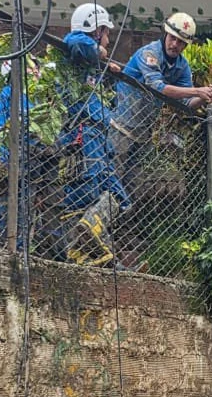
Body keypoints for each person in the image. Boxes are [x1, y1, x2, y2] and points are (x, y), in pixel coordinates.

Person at [58, 3, 130, 263]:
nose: (108, 39)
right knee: (84, 194)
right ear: (95, 29)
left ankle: (89, 240)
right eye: (106, 32)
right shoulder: (78, 45)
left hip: (99, 134)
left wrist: (106, 68)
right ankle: (89, 255)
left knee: (119, 198)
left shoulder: (90, 64)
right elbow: (75, 42)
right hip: (82, 132)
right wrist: (98, 51)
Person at [112, 11, 212, 174]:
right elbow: (157, 87)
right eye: (172, 38)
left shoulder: (182, 66)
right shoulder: (149, 53)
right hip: (121, 124)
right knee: (113, 175)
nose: (175, 44)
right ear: (166, 35)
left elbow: (187, 105)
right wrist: (197, 90)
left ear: (186, 46)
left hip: (144, 131)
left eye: (181, 42)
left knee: (133, 182)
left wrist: (204, 96)